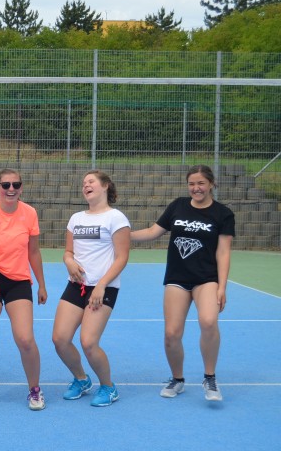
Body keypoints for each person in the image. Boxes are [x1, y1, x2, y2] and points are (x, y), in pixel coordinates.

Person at [131, 165, 234, 402]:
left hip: (206, 278)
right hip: (177, 278)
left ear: (211, 184)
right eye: (192, 184)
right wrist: (122, 234)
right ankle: (177, 379)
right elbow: (152, 231)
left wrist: (222, 287)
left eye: (201, 183)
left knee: (208, 321)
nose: (196, 188)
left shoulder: (223, 214)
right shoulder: (178, 205)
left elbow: (223, 253)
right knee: (171, 334)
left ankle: (210, 378)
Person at [0, 169, 48, 410]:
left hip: (18, 281)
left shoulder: (30, 213)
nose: (11, 189)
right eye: (5, 185)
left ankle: (35, 389)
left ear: (21, 188)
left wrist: (41, 284)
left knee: (25, 339)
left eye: (16, 184)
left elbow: (33, 252)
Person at [52, 170, 130, 407]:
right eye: (84, 183)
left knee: (88, 342)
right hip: (76, 286)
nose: (86, 185)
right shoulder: (76, 218)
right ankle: (81, 379)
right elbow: (68, 252)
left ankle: (108, 387)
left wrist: (102, 285)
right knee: (60, 339)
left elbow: (122, 257)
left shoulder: (116, 218)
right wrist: (68, 261)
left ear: (105, 186)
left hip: (103, 288)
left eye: (91, 181)